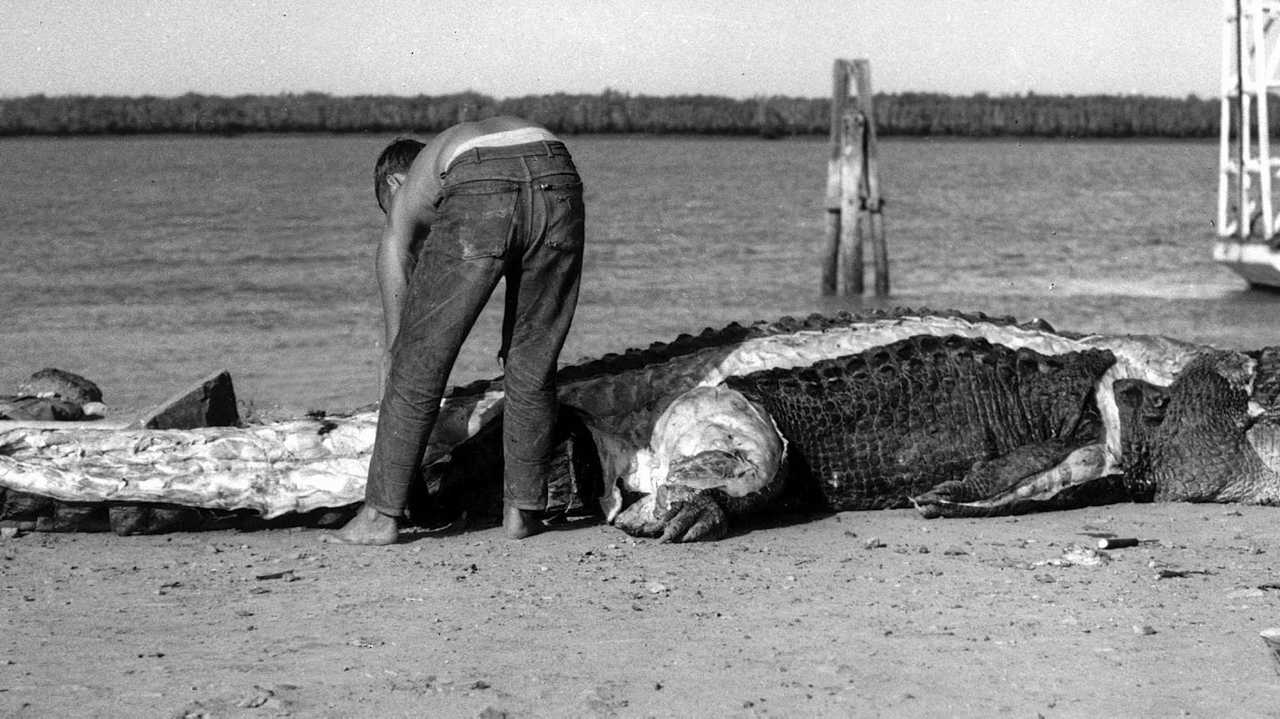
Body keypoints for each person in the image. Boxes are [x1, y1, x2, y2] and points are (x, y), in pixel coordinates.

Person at [333, 116, 585, 544]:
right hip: (556, 166)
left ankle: (379, 517)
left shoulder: (409, 195)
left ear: (395, 184)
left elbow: (401, 354)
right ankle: (522, 511)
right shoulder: (447, 151)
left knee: (419, 357)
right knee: (532, 356)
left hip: (483, 183)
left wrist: (397, 483)